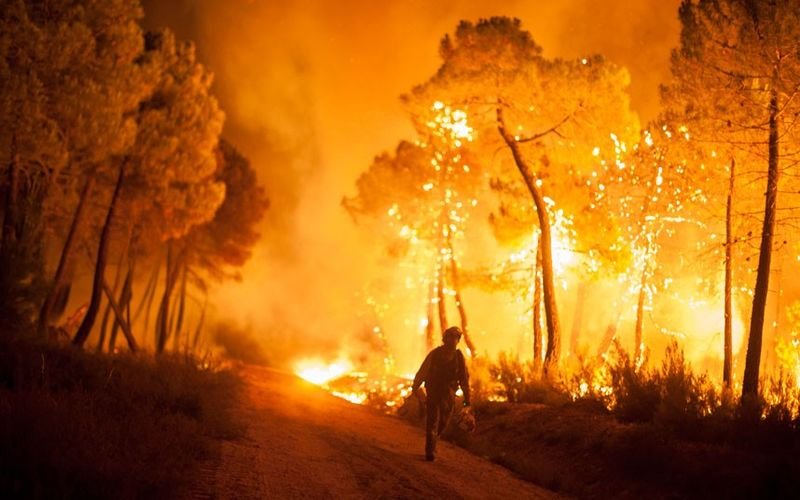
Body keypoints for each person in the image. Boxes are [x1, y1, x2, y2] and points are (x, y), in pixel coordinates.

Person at [412, 326, 471, 462]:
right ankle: (430, 451)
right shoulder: (435, 354)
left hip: (448, 394)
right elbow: (423, 371)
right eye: (450, 337)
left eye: (456, 338)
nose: (453, 340)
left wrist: (467, 399)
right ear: (445, 338)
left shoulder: (458, 357)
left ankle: (433, 441)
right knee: (432, 421)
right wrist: (416, 386)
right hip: (434, 391)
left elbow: (463, 378)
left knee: (444, 421)